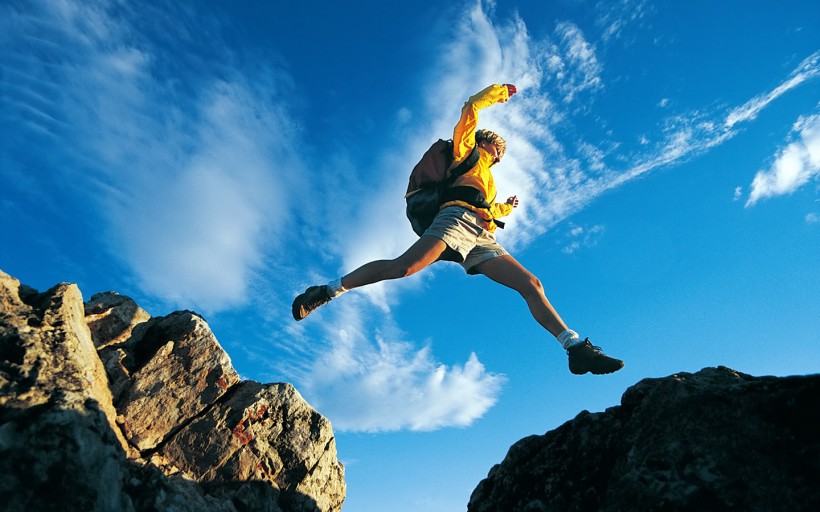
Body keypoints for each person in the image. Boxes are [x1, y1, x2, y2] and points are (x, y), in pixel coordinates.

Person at [292, 83, 624, 375]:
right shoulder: (465, 149)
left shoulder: (489, 179)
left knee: (531, 284)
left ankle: (575, 348)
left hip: (482, 234)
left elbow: (489, 207)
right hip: (454, 219)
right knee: (403, 267)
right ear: (485, 143)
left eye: (499, 154)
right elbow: (470, 109)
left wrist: (506, 207)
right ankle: (326, 290)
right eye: (495, 148)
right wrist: (493, 95)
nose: (498, 154)